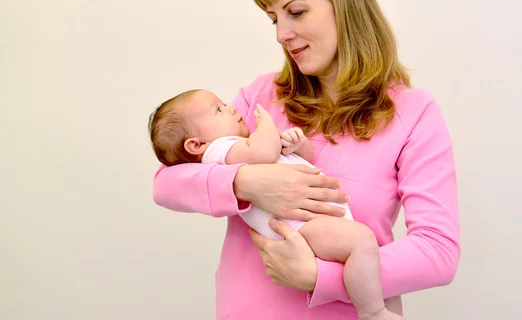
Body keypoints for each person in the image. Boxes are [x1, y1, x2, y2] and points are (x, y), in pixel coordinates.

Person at [152, 0, 460, 320]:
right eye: (273, 19)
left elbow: (438, 251)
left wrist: (321, 277)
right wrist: (246, 183)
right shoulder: (260, 98)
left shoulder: (414, 113)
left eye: (296, 12)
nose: (282, 34)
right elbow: (166, 181)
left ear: (345, 6)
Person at [148, 88, 404, 319]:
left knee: (368, 258)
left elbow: (294, 163)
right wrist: (266, 125)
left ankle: (377, 307)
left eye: (224, 103)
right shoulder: (219, 149)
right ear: (196, 145)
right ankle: (373, 313)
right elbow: (263, 153)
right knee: (362, 243)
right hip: (299, 228)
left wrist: (297, 146)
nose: (231, 108)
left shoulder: (235, 145)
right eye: (218, 110)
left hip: (307, 224)